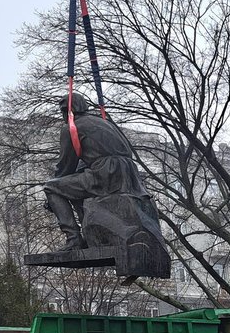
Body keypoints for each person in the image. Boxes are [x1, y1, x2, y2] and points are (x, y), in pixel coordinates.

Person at [44, 93, 150, 251]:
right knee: (73, 188)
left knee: (51, 188)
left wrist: (54, 194)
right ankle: (88, 235)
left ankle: (73, 239)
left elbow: (66, 166)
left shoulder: (72, 128)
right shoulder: (104, 122)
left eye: (63, 111)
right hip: (128, 173)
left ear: (68, 111)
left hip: (106, 174)